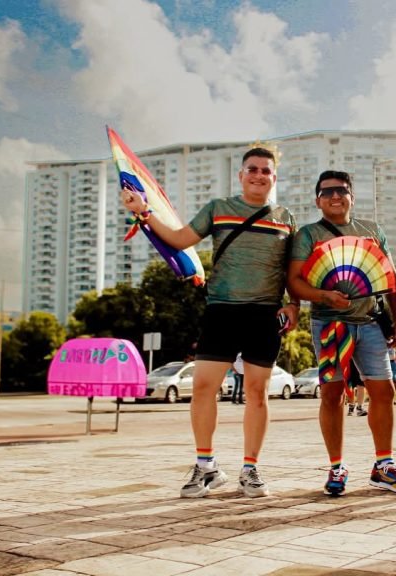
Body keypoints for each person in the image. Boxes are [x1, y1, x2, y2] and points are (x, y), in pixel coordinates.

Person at [123, 146, 299, 499]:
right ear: (241, 174)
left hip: (264, 313)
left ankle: (250, 469)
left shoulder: (286, 218)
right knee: (203, 387)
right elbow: (179, 239)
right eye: (252, 169)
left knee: (257, 394)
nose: (258, 175)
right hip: (221, 310)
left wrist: (294, 304)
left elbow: (290, 271)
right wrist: (144, 212)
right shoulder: (220, 208)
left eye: (266, 171)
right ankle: (206, 467)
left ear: (274, 178)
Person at [287, 169, 396, 496]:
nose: (335, 196)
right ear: (317, 200)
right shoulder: (308, 234)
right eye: (327, 192)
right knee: (332, 394)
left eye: (341, 190)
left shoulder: (371, 230)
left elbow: (390, 277)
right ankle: (337, 467)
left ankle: (384, 466)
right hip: (330, 323)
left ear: (351, 197)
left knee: (384, 391)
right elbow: (295, 283)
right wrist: (324, 296)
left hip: (371, 322)